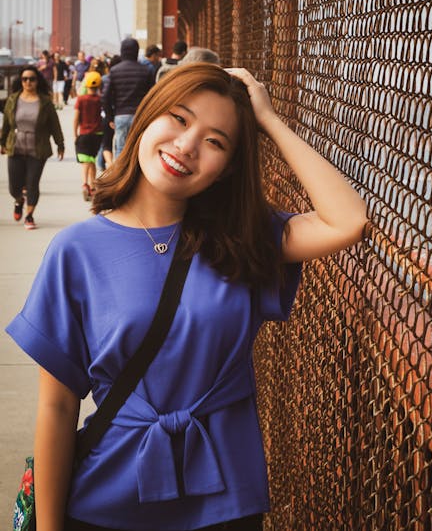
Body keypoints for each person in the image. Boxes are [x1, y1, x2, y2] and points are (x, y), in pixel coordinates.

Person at [5, 64, 367, 530]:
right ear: (147, 117)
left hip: (224, 498)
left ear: (228, 168)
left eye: (215, 141)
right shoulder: (76, 251)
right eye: (178, 118)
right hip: (106, 495)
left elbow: (348, 220)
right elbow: (57, 407)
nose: (187, 145)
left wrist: (270, 121)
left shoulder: (241, 240)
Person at [0, 65, 64, 229]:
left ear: (37, 81)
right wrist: (2, 142)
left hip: (38, 149)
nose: (28, 82)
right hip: (16, 147)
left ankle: (29, 215)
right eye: (25, 79)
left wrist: (60, 145)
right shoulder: (13, 99)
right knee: (14, 187)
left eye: (32, 79)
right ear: (21, 81)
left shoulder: (45, 102)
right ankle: (19, 200)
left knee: (32, 183)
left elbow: (54, 125)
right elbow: (6, 124)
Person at [101, 37, 154, 159]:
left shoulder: (114, 71)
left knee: (121, 149)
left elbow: (105, 97)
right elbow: (153, 95)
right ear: (136, 51)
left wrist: (110, 116)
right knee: (138, 149)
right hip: (140, 116)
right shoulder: (146, 71)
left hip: (120, 115)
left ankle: (120, 177)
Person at [73, 71, 103, 201]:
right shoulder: (100, 100)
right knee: (92, 160)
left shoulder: (81, 99)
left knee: (85, 161)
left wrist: (75, 134)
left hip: (84, 133)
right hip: (97, 135)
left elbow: (76, 118)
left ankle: (85, 184)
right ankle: (92, 186)